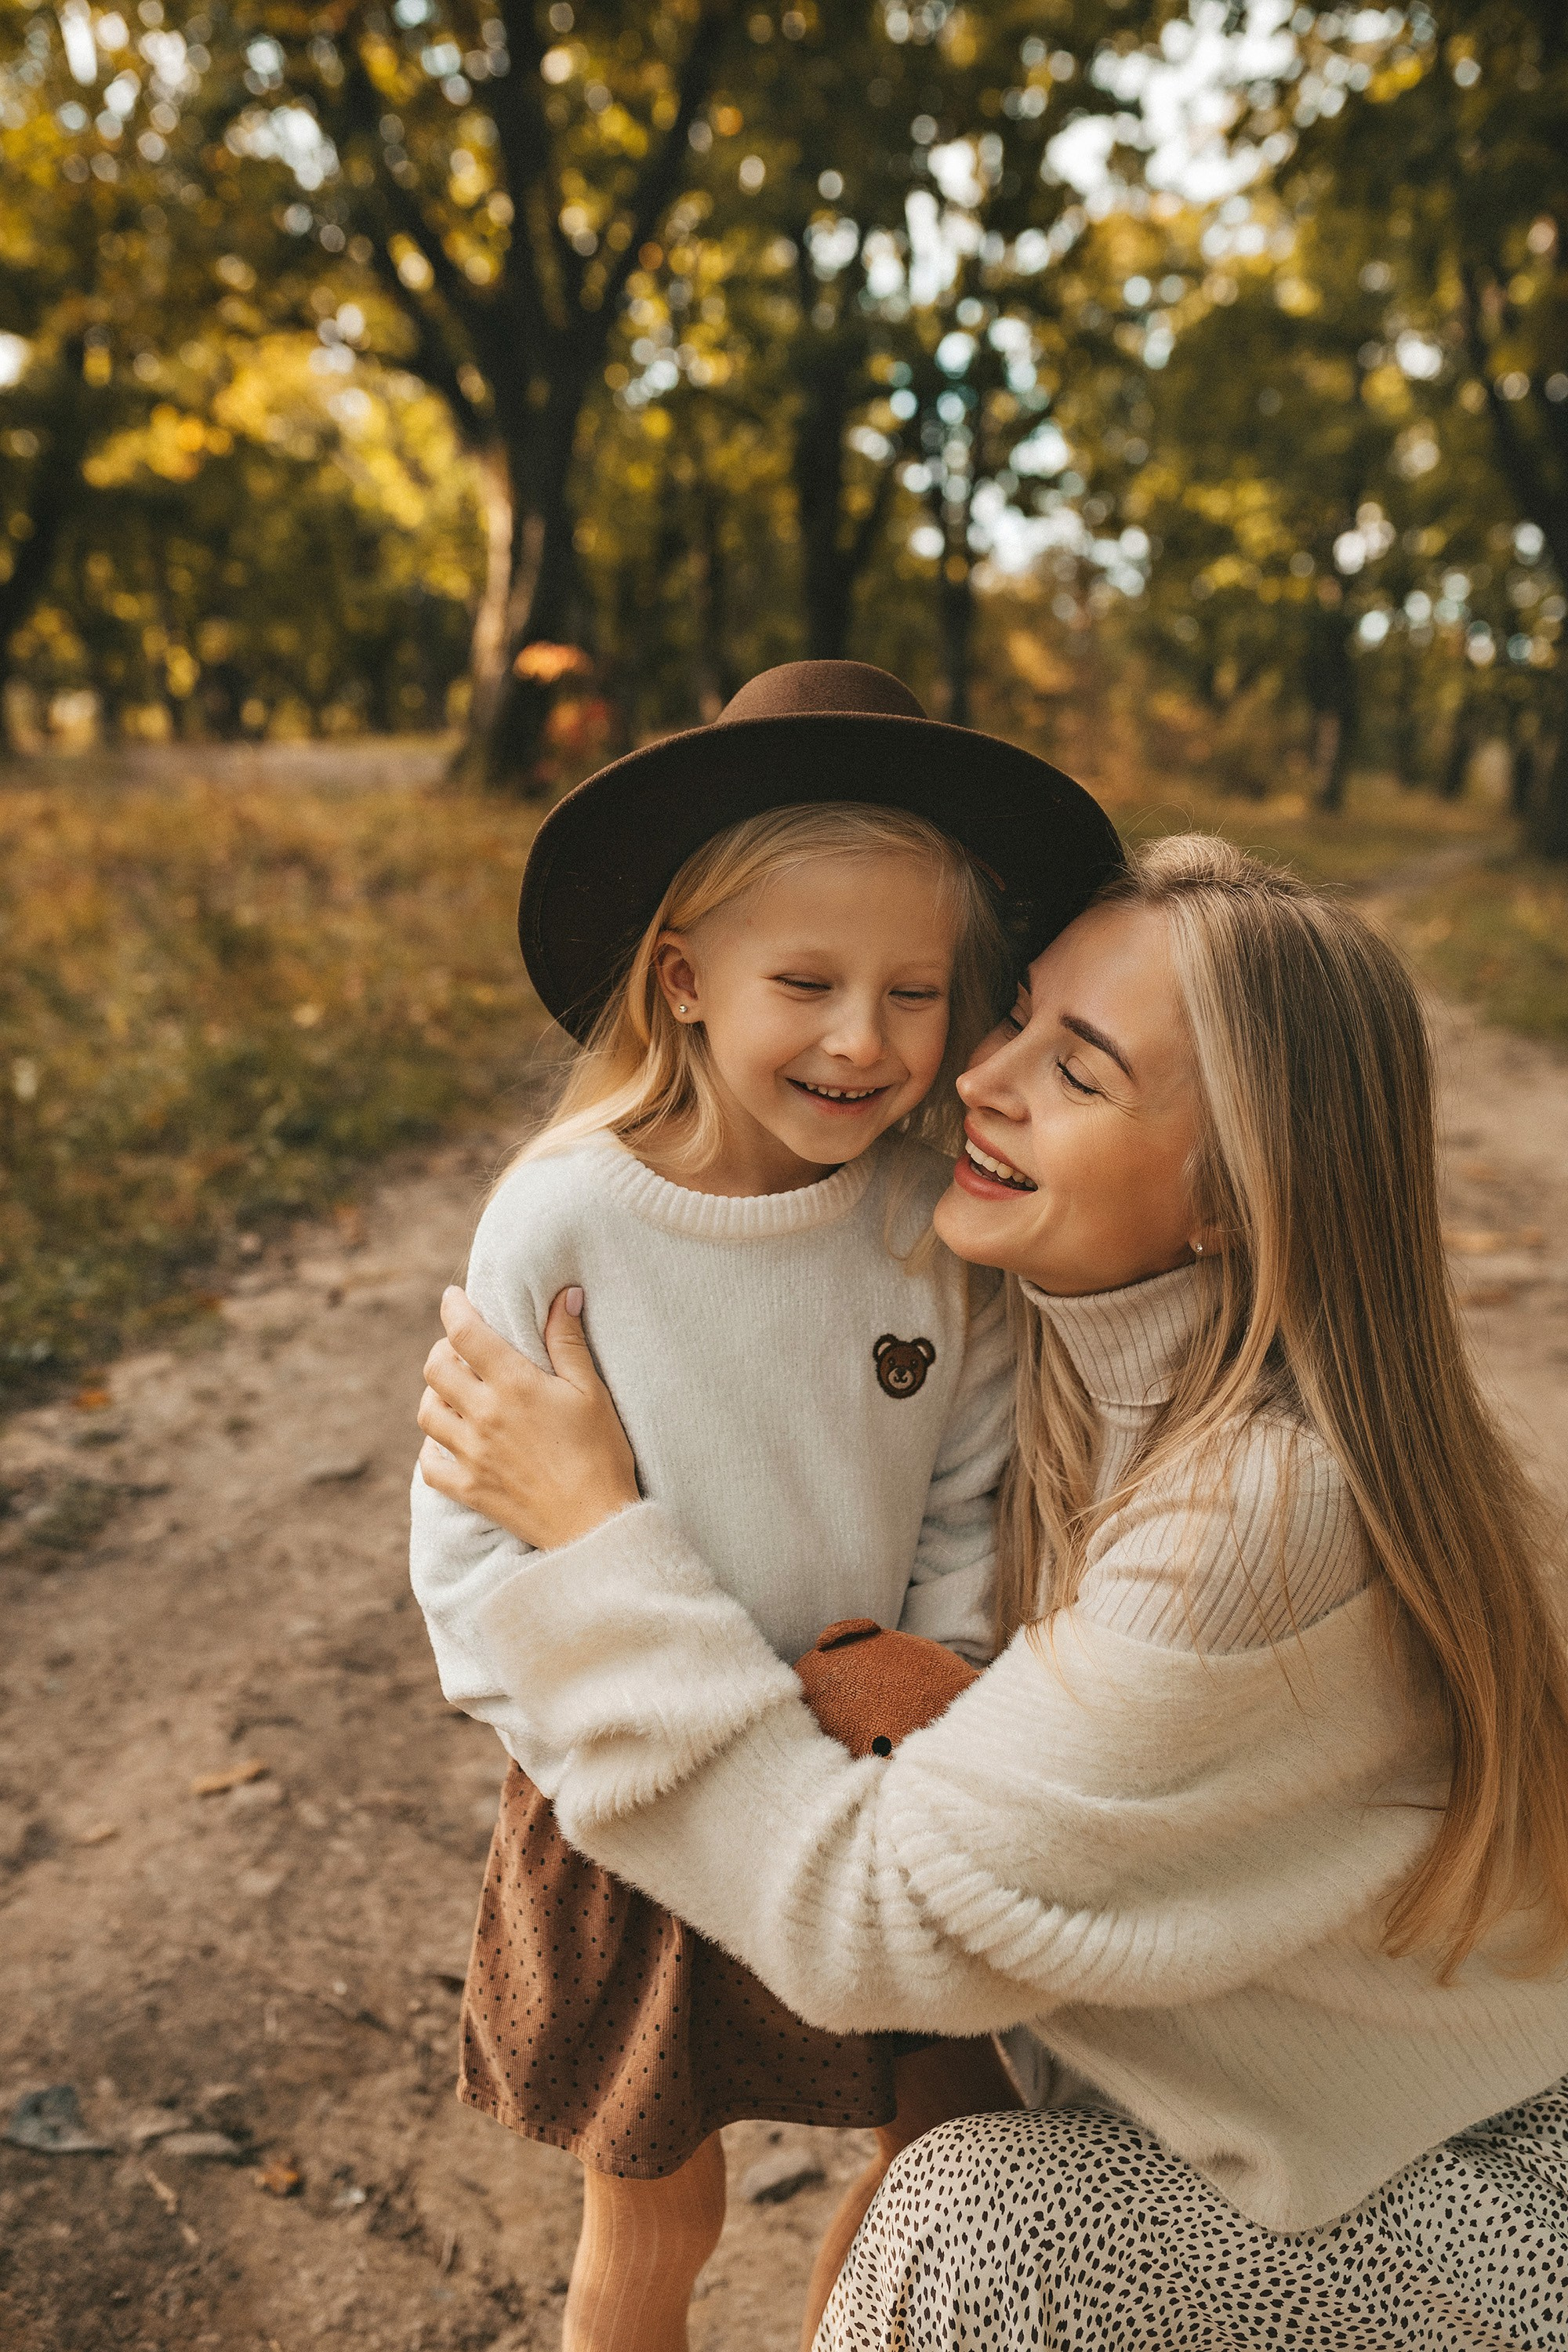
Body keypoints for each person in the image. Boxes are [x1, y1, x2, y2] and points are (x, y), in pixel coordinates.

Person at [419, 833, 1568, 2350]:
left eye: (1077, 1073)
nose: (974, 1075)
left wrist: (592, 1536)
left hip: (1473, 2196)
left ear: (1233, 1195)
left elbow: (871, 1919)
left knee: (972, 2225)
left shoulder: (1263, 1508)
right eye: (1011, 1011)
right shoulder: (1057, 1364)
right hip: (1241, 2135)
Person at [410, 659, 1123, 2352]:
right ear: (684, 980)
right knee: (657, 2207)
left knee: (954, 2137)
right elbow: (470, 1547)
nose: (861, 1037)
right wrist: (578, 1744)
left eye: (915, 991)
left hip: (882, 1762)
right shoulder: (567, 1220)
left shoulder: (920, 1221)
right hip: (644, 1782)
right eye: (804, 980)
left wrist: (939, 1685)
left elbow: (967, 1486)